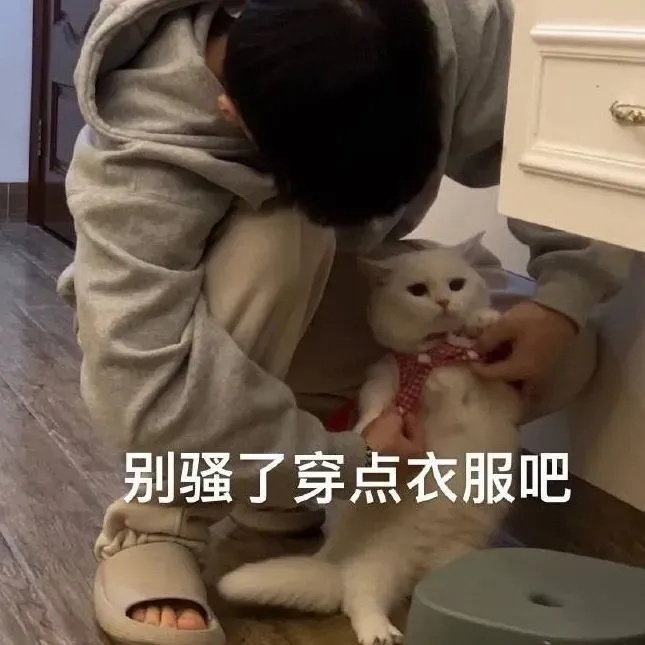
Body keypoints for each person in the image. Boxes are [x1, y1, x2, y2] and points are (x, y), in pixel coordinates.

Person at [56, 0, 633, 643]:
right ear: (231, 111)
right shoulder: (139, 144)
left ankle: (280, 484)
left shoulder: (451, 25)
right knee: (279, 238)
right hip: (207, 336)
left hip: (330, 304)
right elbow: (141, 391)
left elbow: (565, 125)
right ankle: (160, 521)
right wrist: (351, 462)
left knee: (567, 354)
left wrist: (562, 299)